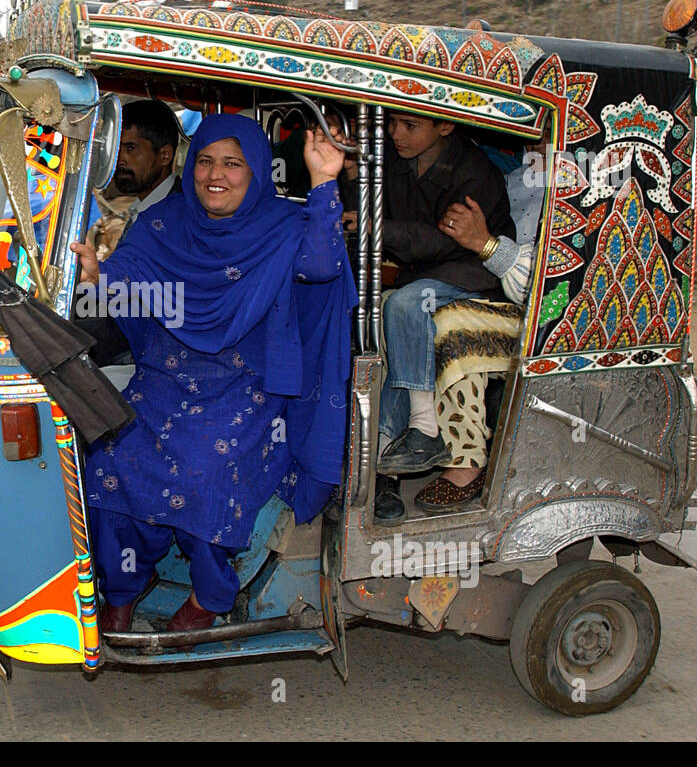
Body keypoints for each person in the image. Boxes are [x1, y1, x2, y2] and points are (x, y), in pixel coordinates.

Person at [68, 114, 358, 634]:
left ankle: (210, 594)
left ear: (256, 171)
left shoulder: (284, 225)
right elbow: (128, 276)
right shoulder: (164, 225)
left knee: (205, 472)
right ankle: (123, 589)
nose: (214, 175)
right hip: (163, 384)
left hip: (246, 390)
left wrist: (323, 181)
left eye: (232, 163)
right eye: (204, 161)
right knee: (104, 462)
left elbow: (321, 267)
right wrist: (97, 276)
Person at [350, 112, 514, 524]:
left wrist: (378, 228)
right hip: (419, 276)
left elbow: (445, 240)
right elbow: (365, 208)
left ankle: (425, 429)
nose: (395, 134)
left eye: (409, 126)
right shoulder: (393, 156)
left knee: (404, 307)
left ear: (445, 126)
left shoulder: (475, 173)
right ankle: (383, 466)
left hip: (469, 274)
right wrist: (353, 180)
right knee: (376, 327)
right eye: (393, 124)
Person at [412, 141, 548, 511]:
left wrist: (486, 245)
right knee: (404, 307)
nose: (538, 140)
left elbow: (546, 285)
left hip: (548, 319)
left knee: (455, 322)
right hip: (495, 298)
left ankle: (467, 459)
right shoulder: (513, 177)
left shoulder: (580, 193)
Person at [86, 99, 180, 260]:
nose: (120, 159)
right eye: (117, 149)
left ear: (165, 155)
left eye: (131, 148)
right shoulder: (143, 208)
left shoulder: (178, 218)